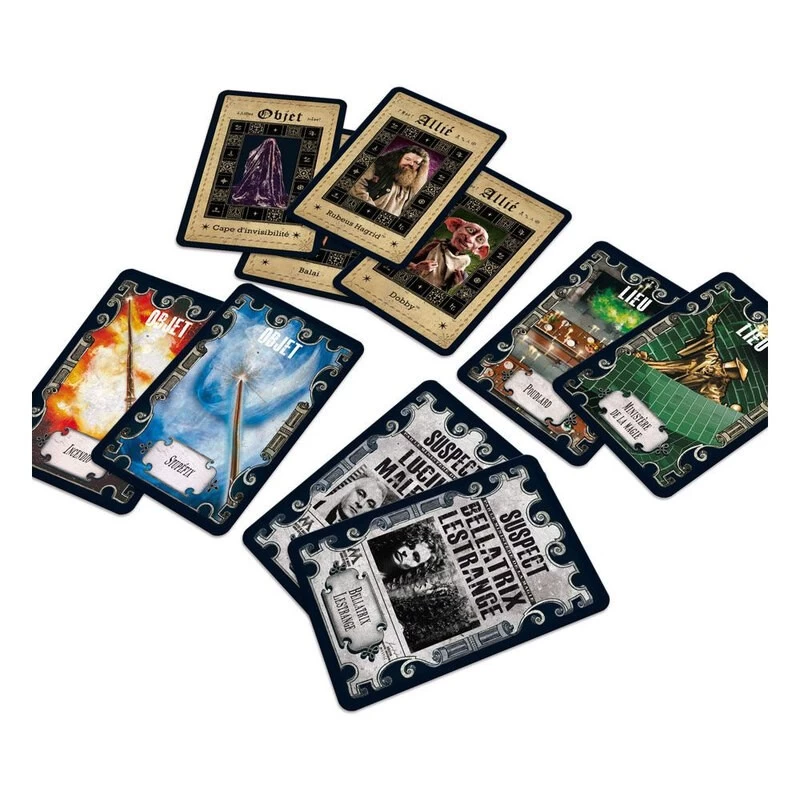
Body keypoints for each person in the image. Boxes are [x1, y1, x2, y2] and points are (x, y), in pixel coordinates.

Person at [635, 310, 748, 408]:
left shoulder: (718, 383)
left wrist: (718, 407)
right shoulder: (713, 358)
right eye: (725, 367)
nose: (721, 368)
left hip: (681, 382)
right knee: (659, 367)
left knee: (659, 383)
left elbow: (713, 395)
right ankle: (643, 362)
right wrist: (709, 325)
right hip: (679, 367)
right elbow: (708, 342)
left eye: (724, 371)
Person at [408, 217, 490, 291]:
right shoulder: (436, 246)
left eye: (480, 239)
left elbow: (445, 287)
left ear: (479, 249)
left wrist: (455, 283)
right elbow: (407, 262)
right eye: (470, 230)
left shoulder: (465, 261)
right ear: (455, 225)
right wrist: (416, 267)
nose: (470, 239)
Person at [348, 145, 429, 215]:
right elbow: (357, 188)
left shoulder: (414, 183)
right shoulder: (378, 166)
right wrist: (372, 213)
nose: (411, 164)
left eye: (416, 163)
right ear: (399, 157)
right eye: (407, 159)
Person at [322, 476, 388, 525]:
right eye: (360, 494)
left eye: (370, 504)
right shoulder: (318, 504)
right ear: (349, 490)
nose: (361, 504)